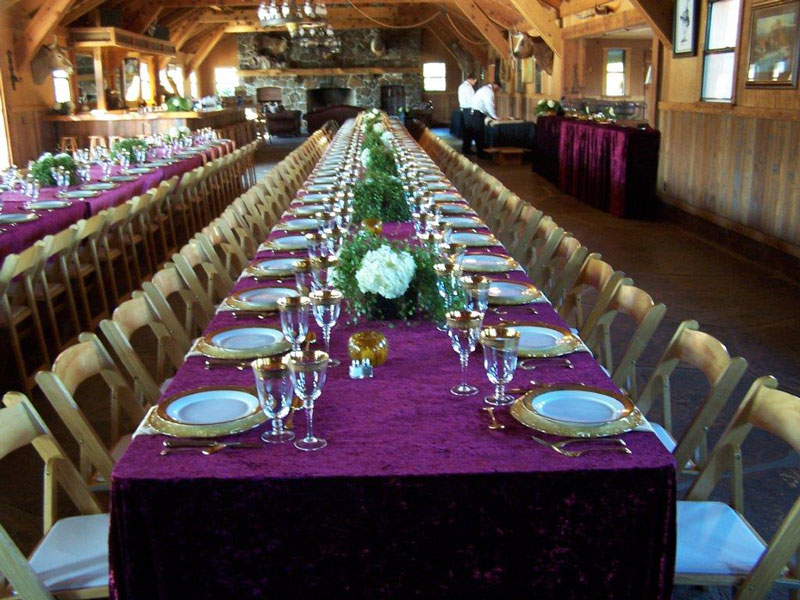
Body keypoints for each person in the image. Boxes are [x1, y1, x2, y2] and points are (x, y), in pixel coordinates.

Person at [469, 81, 500, 159]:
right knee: (479, 134)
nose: (498, 90)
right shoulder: (488, 91)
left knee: (479, 134)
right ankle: (481, 154)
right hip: (477, 114)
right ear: (495, 85)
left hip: (476, 113)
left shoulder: (485, 89)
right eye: (498, 88)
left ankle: (481, 152)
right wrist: (495, 117)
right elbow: (489, 105)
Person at [458, 73, 477, 154]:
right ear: (472, 79)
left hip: (464, 109)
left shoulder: (462, 86)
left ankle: (466, 149)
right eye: (475, 81)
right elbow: (471, 100)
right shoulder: (468, 87)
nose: (475, 83)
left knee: (467, 131)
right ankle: (467, 149)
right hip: (468, 109)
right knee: (469, 131)